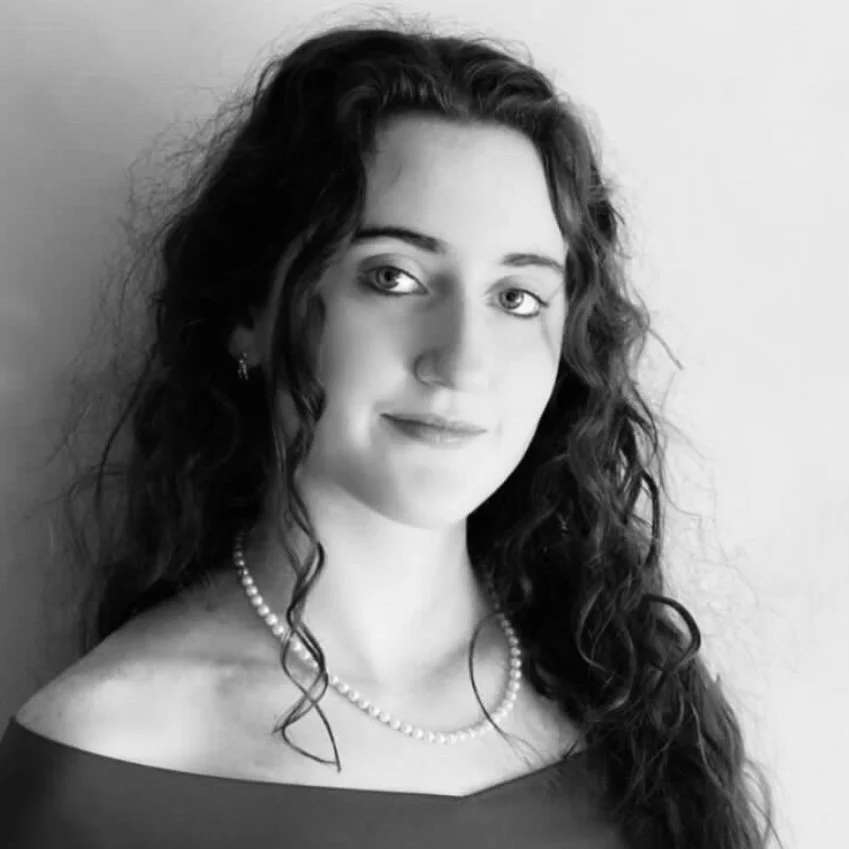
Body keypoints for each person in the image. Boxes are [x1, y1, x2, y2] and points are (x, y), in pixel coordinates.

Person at [0, 10, 779, 849]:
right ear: (249, 312)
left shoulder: (631, 703)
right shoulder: (100, 765)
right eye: (395, 276)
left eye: (517, 297)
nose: (462, 360)